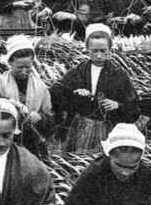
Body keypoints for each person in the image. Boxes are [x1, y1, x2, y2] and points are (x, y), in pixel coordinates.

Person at [50, 24, 139, 152]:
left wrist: (117, 105)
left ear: (110, 49)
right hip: (79, 128)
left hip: (109, 129)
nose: (98, 56)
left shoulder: (119, 74)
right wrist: (74, 92)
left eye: (103, 51)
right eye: (94, 51)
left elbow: (134, 107)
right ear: (87, 49)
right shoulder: (78, 71)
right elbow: (55, 92)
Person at [0, 35, 54, 162]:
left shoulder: (40, 86)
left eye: (28, 67)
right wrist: (9, 102)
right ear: (10, 63)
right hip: (5, 139)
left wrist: (40, 117)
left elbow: (50, 117)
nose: (24, 71)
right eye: (19, 67)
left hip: (32, 141)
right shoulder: (0, 83)